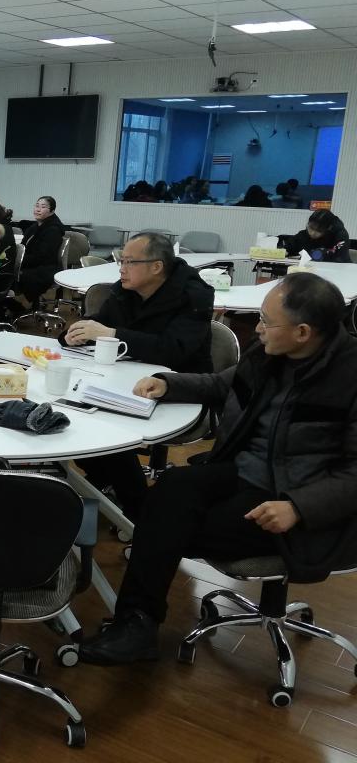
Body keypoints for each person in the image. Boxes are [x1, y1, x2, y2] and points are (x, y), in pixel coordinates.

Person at [79, 273, 357, 665]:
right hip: (243, 472)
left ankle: (137, 622)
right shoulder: (270, 355)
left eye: (266, 321)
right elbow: (222, 384)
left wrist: (298, 506)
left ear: (303, 332)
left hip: (297, 498)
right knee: (169, 493)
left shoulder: (350, 376)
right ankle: (136, 623)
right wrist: (169, 384)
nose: (257, 328)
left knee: (168, 528)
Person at [61, 233, 215, 521]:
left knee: (110, 428)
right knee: (73, 412)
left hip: (178, 386)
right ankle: (105, 483)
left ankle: (137, 512)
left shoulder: (194, 296)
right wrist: (75, 334)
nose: (121, 268)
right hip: (124, 379)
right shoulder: (126, 290)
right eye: (121, 261)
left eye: (129, 262)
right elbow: (101, 324)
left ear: (156, 267)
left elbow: (173, 350)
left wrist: (112, 334)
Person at [13, 195, 64, 305]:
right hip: (33, 264)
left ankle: (16, 304)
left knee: (13, 274)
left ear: (52, 211)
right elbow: (23, 247)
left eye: (43, 207)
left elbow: (42, 257)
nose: (38, 209)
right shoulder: (35, 227)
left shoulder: (53, 230)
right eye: (37, 206)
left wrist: (19, 262)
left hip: (45, 268)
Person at [281, 209, 350, 262]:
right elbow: (288, 247)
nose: (313, 233)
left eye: (319, 231)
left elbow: (339, 257)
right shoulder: (303, 235)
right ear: (308, 223)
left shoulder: (339, 236)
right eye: (311, 228)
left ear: (327, 230)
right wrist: (284, 251)